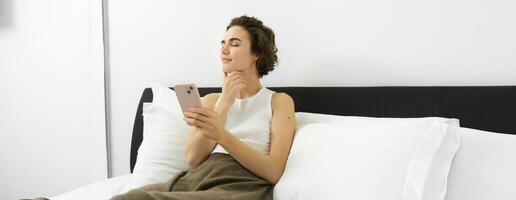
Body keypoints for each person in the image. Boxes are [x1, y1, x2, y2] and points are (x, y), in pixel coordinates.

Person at [111, 15, 296, 200]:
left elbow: (274, 172)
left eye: (234, 43)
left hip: (239, 185)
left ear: (257, 53)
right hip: (195, 180)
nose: (224, 49)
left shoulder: (279, 101)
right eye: (222, 43)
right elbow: (193, 159)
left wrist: (220, 134)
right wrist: (224, 103)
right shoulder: (212, 100)